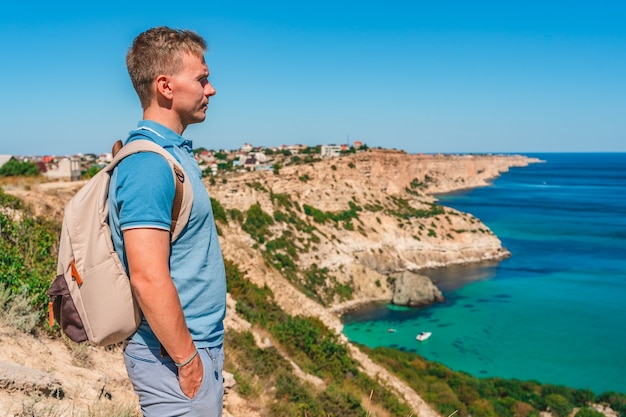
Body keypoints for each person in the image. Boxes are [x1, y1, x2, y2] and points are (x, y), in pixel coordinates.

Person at [108, 26, 226, 417]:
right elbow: (147, 277)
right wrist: (188, 361)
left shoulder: (168, 154)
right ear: (166, 86)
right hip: (172, 359)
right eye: (202, 79)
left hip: (185, 350)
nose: (211, 90)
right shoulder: (149, 165)